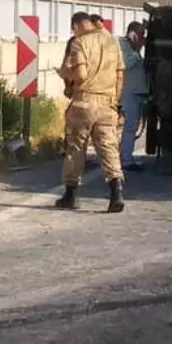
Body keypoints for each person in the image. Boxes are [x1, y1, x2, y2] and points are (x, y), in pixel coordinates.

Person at [54, 11, 127, 212]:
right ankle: (116, 193)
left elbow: (81, 75)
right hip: (108, 103)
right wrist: (114, 100)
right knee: (108, 148)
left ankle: (70, 196)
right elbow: (120, 75)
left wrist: (66, 74)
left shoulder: (79, 43)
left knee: (76, 148)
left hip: (84, 103)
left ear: (76, 26)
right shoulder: (113, 42)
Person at [118, 21, 148, 172]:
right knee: (129, 127)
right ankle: (126, 160)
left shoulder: (133, 48)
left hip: (137, 91)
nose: (143, 38)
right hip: (129, 92)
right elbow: (127, 64)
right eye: (140, 34)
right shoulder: (123, 45)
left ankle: (123, 155)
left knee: (132, 127)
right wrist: (136, 48)